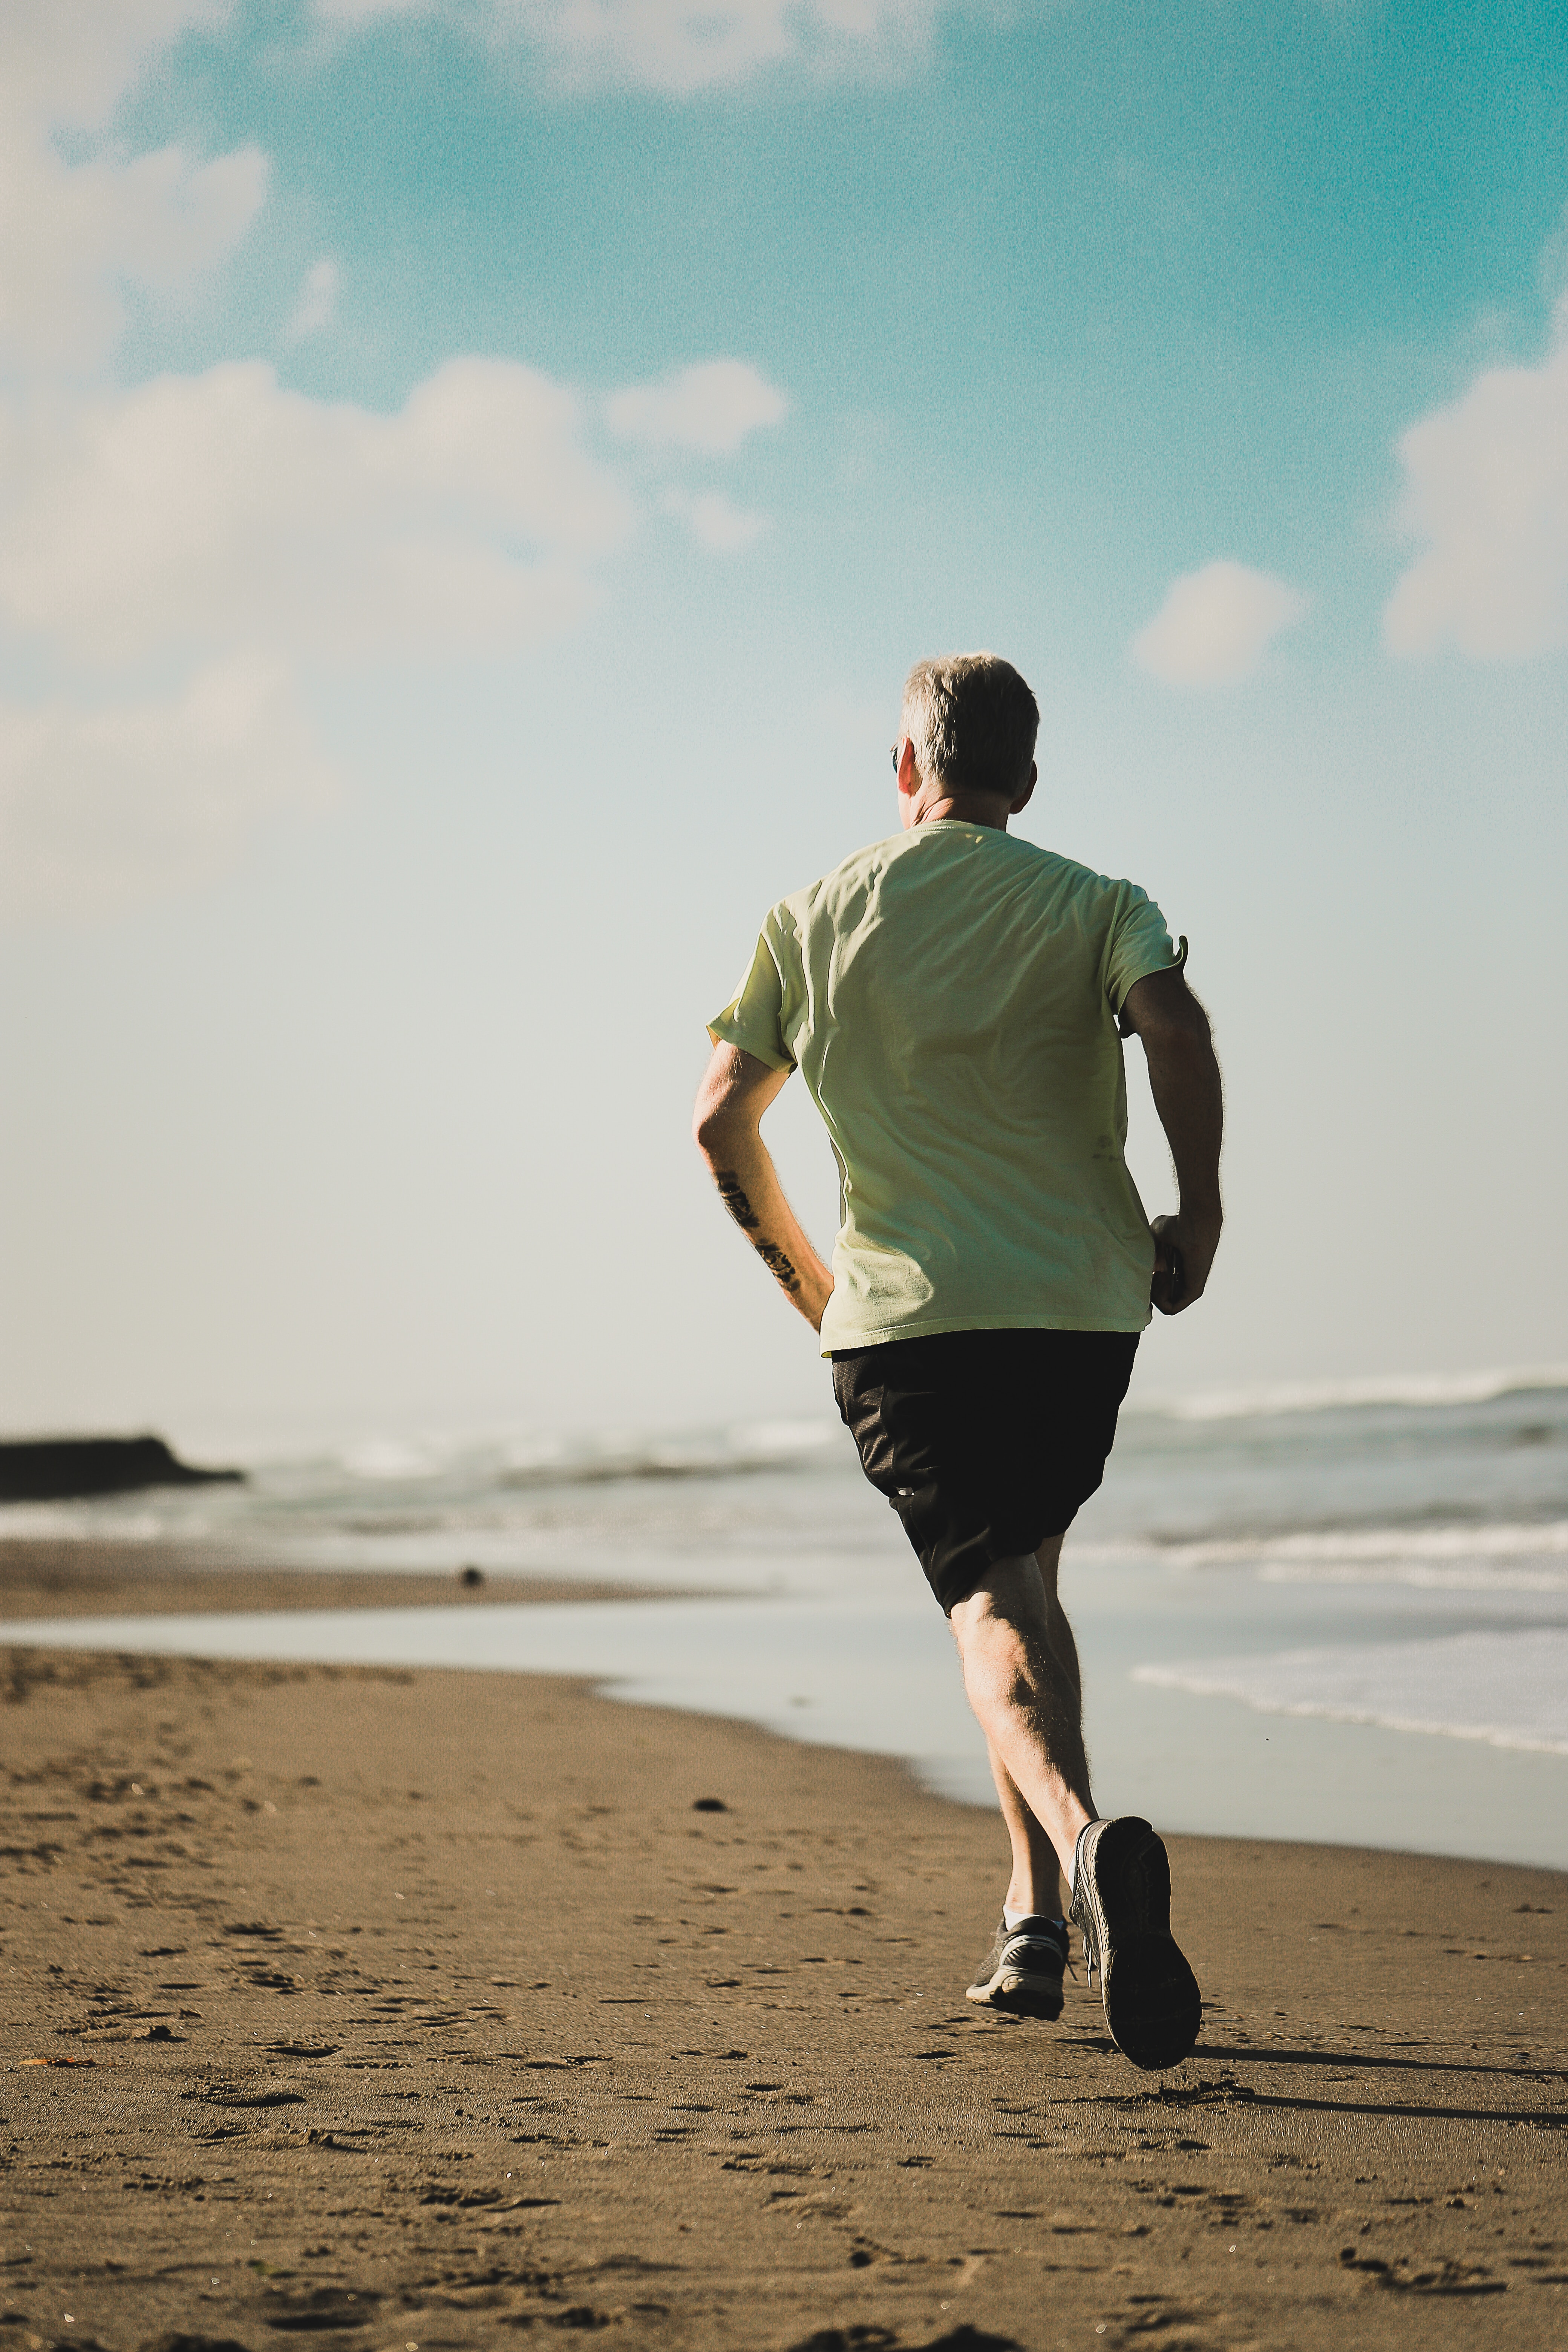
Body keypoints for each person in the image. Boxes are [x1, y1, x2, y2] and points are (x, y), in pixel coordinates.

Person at [692, 653, 1223, 2072]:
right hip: (1081, 1311)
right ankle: (1033, 1920)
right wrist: (1202, 1214)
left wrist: (815, 1290)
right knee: (1025, 1584)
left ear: (904, 768)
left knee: (987, 1606)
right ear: (1025, 781)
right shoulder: (1100, 902)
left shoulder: (810, 918)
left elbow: (721, 1122)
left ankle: (1084, 1848)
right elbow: (1177, 1028)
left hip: (911, 1323)